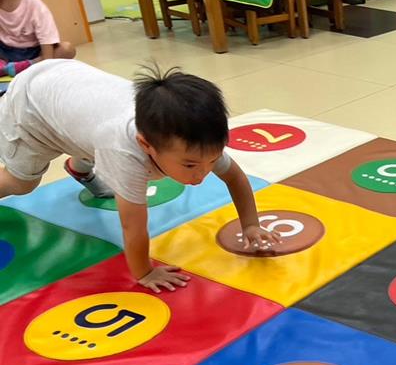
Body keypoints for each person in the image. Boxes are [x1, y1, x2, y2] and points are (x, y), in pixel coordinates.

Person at [0, 60, 280, 292]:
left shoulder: (195, 141)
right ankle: (69, 165)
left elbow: (235, 178)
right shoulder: (124, 152)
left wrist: (250, 225)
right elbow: (132, 226)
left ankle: (79, 165)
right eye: (190, 166)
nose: (202, 174)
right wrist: (144, 272)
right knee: (21, 183)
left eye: (212, 161)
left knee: (91, 139)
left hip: (68, 88)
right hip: (32, 106)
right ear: (146, 145)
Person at [0, 0, 75, 77]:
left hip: (33, 52)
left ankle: (27, 65)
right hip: (5, 52)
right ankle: (6, 68)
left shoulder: (34, 5)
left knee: (67, 49)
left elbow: (46, 39)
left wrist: (46, 66)